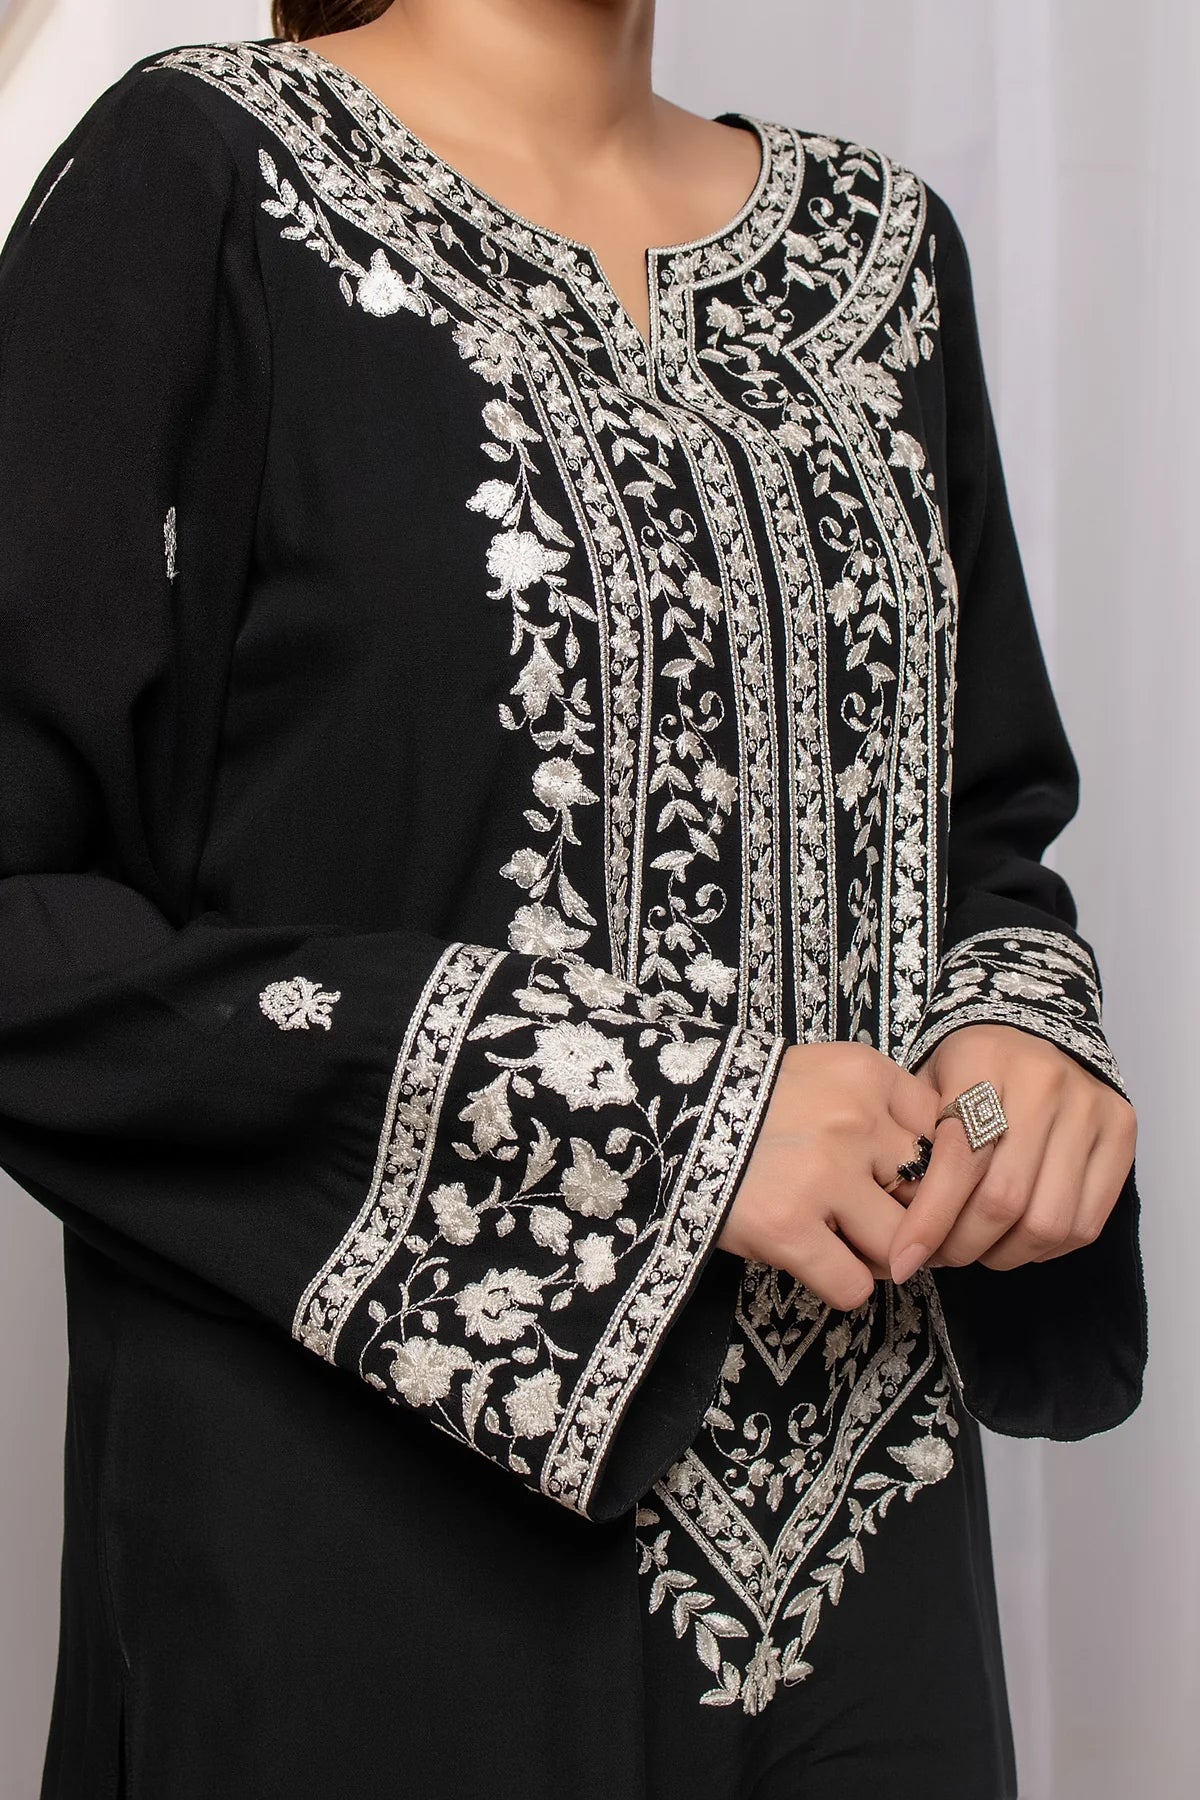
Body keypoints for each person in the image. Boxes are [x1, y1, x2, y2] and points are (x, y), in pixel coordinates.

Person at [0, 2, 1147, 1796]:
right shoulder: (200, 176)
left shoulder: (882, 256)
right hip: (363, 1599)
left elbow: (984, 824)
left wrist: (1020, 1037)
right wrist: (666, 1128)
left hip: (862, 1584)